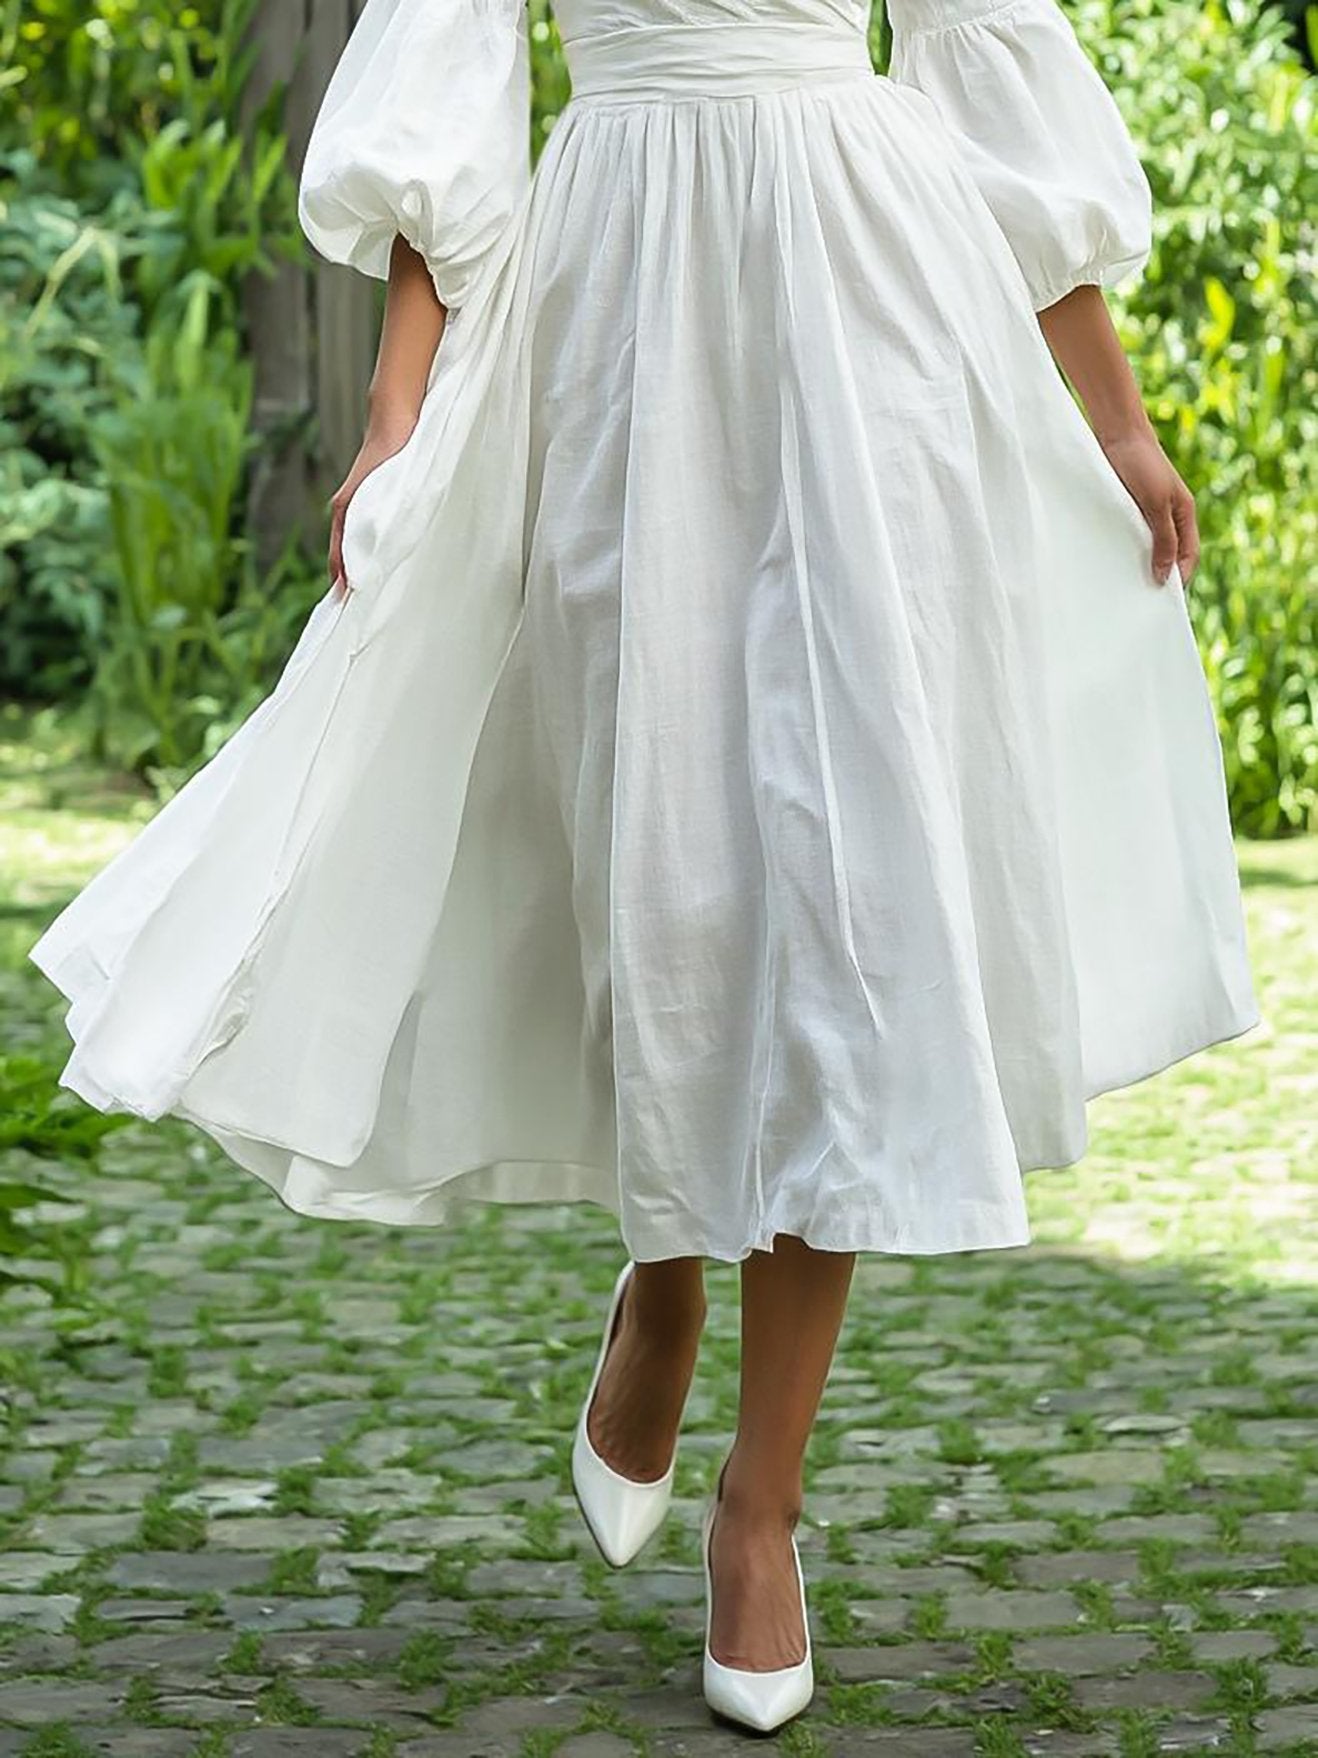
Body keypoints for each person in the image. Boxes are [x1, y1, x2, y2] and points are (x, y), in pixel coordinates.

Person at [29, 0, 1261, 1731]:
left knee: (853, 900)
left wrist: (1111, 413)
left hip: (872, 298)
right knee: (657, 868)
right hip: (616, 294)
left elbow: (983, 55)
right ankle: (665, 1280)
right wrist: (397, 410)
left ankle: (760, 1507)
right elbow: (449, 71)